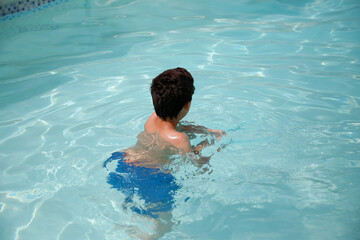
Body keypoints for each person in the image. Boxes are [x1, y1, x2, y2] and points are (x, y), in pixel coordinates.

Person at [104, 67, 225, 239]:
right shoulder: (180, 139)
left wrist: (207, 131)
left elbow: (177, 126)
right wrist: (209, 143)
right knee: (166, 223)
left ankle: (127, 222)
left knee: (132, 198)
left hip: (126, 162)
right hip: (152, 177)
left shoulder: (152, 118)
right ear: (187, 105)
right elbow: (195, 165)